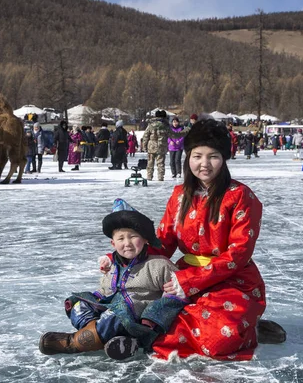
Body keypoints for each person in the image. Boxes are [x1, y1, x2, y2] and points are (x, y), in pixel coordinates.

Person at [101, 119, 285, 360]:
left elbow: (239, 253)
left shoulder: (241, 196)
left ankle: (248, 328)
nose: (204, 164)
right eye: (197, 156)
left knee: (218, 338)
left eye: (213, 156)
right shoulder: (179, 195)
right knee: (155, 313)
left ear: (224, 159)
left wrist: (189, 282)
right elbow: (163, 243)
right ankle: (135, 339)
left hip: (232, 280)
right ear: (188, 157)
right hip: (183, 275)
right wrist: (119, 257)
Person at [39, 199, 188, 360]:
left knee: (114, 316)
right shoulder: (113, 266)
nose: (127, 243)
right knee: (78, 303)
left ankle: (75, 342)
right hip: (111, 309)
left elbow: (175, 296)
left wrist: (151, 318)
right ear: (113, 243)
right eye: (121, 239)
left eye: (133, 237)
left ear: (145, 239)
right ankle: (109, 338)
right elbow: (105, 291)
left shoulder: (159, 265)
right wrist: (95, 299)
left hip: (137, 320)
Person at [141, 110, 188, 181]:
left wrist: (144, 146)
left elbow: (145, 136)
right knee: (160, 163)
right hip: (161, 147)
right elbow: (174, 135)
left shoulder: (150, 125)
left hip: (151, 147)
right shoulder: (165, 126)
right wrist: (186, 130)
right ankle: (160, 177)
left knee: (150, 163)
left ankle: (149, 177)